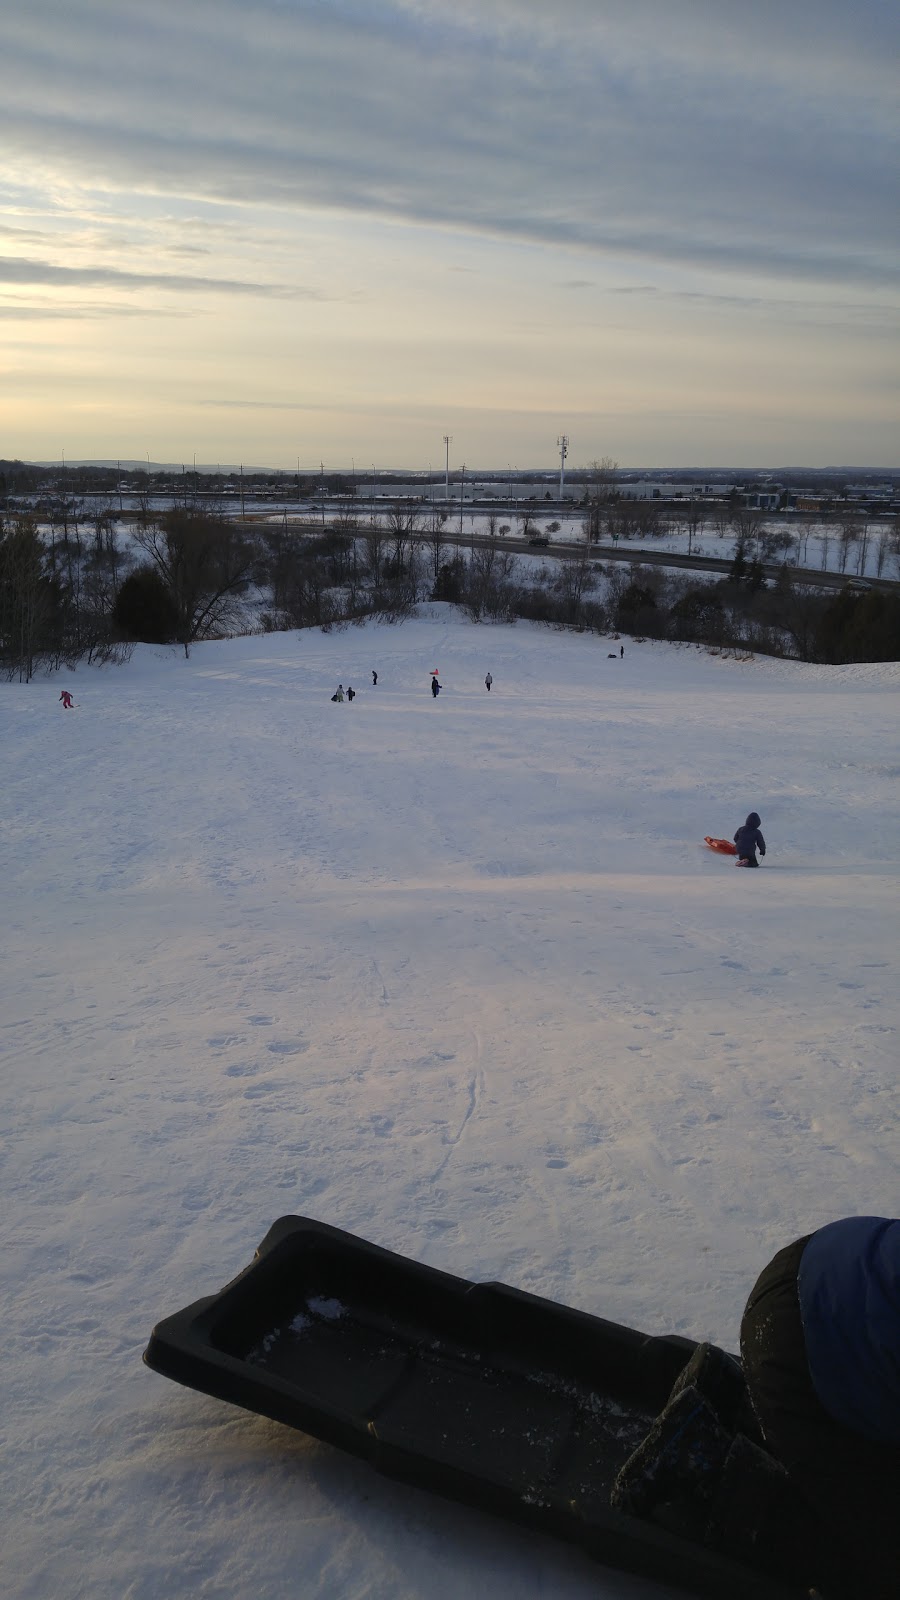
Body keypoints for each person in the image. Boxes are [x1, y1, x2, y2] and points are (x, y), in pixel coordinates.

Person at [610, 1218, 900, 1598]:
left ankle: (732, 1399)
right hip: (802, 1351)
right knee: (877, 1568)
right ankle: (709, 1465)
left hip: (812, 1272)